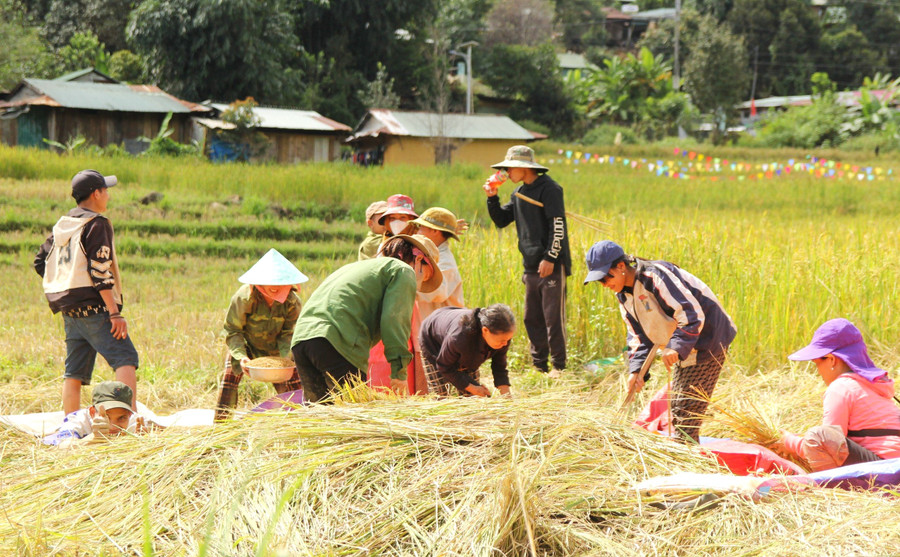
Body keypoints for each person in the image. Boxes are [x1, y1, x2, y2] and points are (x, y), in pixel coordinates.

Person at [584, 240, 736, 443]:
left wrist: (675, 346)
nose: (605, 285)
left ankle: (686, 462)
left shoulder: (654, 277)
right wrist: (636, 371)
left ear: (620, 267)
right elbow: (639, 337)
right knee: (680, 409)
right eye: (600, 282)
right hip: (687, 344)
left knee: (685, 413)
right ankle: (684, 455)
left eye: (606, 278)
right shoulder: (624, 296)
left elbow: (691, 315)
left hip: (707, 338)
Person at [33, 169, 139, 415]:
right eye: (106, 190)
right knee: (125, 358)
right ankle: (127, 419)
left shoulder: (64, 226)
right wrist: (114, 313)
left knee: (75, 372)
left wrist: (65, 281)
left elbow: (41, 262)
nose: (108, 196)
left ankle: (70, 423)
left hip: (69, 308)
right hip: (95, 307)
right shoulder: (96, 224)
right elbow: (100, 271)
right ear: (96, 193)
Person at [291, 234, 442, 402]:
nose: (419, 285)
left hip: (302, 339)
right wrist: (399, 372)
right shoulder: (403, 270)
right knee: (354, 416)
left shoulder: (359, 267)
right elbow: (395, 321)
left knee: (320, 414)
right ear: (420, 259)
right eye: (425, 277)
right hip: (338, 342)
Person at [484, 145, 570, 377]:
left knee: (553, 318)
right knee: (532, 317)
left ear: (524, 167)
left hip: (551, 264)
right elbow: (502, 220)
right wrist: (492, 198)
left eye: (510, 168)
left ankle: (559, 367)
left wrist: (550, 257)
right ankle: (539, 366)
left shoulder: (550, 189)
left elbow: (558, 226)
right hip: (530, 266)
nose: (507, 172)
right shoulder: (519, 192)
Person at [777, 318, 900, 471]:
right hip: (894, 468)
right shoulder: (873, 386)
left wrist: (789, 442)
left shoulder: (841, 387)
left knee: (819, 436)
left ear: (832, 360)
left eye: (817, 363)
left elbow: (827, 443)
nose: (818, 371)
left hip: (880, 471)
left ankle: (831, 487)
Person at [216, 249, 309, 421]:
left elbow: (289, 334)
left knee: (294, 386)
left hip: (276, 350)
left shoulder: (292, 302)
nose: (274, 287)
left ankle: (299, 423)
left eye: (280, 283)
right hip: (247, 345)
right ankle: (221, 426)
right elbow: (233, 330)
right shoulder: (245, 298)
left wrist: (285, 360)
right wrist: (241, 356)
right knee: (229, 379)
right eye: (269, 282)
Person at [419, 304, 515, 397]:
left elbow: (499, 367)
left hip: (463, 344)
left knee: (473, 397)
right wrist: (471, 387)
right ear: (485, 330)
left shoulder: (503, 337)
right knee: (441, 395)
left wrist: (506, 397)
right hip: (433, 342)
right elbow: (444, 367)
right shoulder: (459, 338)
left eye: (507, 340)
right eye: (502, 341)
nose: (505, 344)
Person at [405, 207, 464, 320]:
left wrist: (405, 287)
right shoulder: (427, 254)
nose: (417, 232)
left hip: (445, 328)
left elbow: (436, 291)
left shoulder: (445, 261)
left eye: (421, 227)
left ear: (434, 231)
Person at [42, 381, 139, 446]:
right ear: (92, 412)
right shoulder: (78, 420)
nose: (113, 426)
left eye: (121, 418)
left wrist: (143, 440)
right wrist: (93, 438)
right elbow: (63, 447)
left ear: (130, 414)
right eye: (107, 417)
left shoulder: (134, 421)